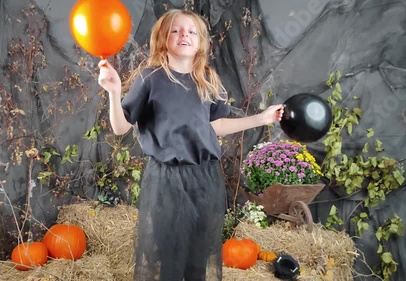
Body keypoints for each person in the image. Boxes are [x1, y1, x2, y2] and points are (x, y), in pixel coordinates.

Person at [98, 9, 284, 281]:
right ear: (163, 38)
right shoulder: (151, 79)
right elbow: (120, 126)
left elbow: (216, 126)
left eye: (191, 31)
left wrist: (262, 118)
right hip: (167, 180)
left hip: (205, 178)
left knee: (198, 258)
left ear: (200, 42)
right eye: (175, 30)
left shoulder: (208, 80)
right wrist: (114, 92)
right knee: (171, 259)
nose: (183, 34)